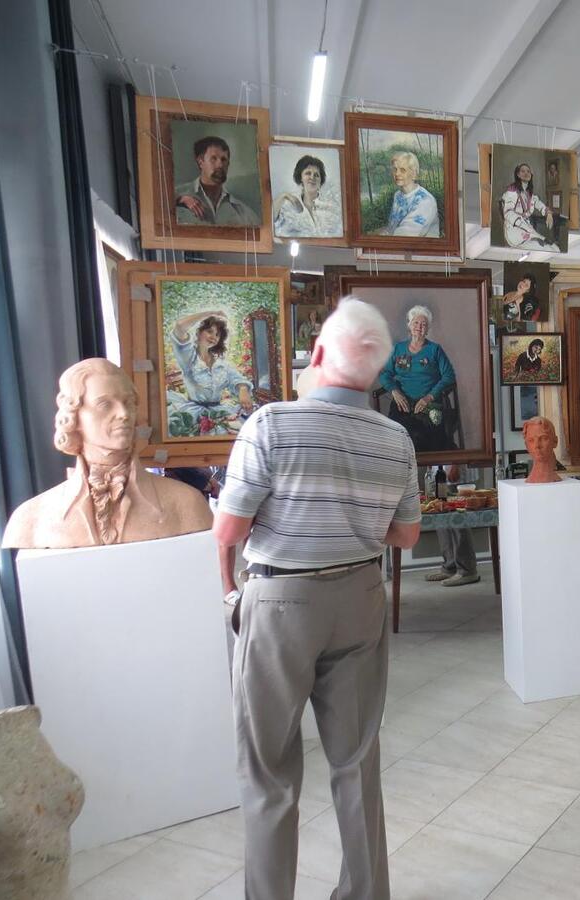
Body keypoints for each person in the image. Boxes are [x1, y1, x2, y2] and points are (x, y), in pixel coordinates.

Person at [213, 298, 422, 900]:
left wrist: (229, 592)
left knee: (269, 770)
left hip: (281, 601)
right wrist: (354, 514)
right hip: (360, 596)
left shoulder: (271, 423)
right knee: (356, 762)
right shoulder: (395, 438)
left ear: (322, 353)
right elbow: (406, 536)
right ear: (377, 372)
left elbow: (229, 531)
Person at [2, 359, 213, 549]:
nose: (123, 414)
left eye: (128, 403)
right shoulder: (32, 519)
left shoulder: (187, 504)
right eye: (105, 405)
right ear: (73, 416)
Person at [379, 305, 457, 451]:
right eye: (416, 323)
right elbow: (385, 374)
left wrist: (429, 397)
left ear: (427, 330)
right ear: (409, 325)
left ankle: (431, 471)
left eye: (423, 324)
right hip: (403, 403)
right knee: (399, 438)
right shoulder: (398, 349)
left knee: (429, 438)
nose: (419, 327)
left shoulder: (435, 349)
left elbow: (449, 375)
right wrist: (395, 391)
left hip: (428, 404)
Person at [167, 311, 255, 437]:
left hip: (218, 410)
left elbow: (237, 379)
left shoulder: (222, 364)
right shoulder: (189, 358)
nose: (213, 337)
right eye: (209, 331)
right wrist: (212, 313)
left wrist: (242, 389)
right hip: (194, 411)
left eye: (217, 335)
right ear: (198, 332)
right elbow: (180, 326)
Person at [175, 136, 262, 226]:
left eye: (224, 160)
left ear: (228, 164)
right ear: (201, 162)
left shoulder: (242, 212)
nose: (220, 165)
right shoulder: (176, 195)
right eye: (213, 159)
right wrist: (179, 199)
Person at [424, 465, 480, 587]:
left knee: (459, 522)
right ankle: (450, 567)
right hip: (440, 469)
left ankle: (467, 570)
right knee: (442, 517)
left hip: (457, 470)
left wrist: (456, 463)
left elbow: (463, 445)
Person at [273, 154, 342, 238]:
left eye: (316, 175)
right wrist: (284, 196)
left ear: (321, 181)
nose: (312, 177)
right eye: (308, 173)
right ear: (301, 177)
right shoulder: (288, 206)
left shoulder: (331, 207)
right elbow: (271, 220)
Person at [500, 163, 559, 251]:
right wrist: (531, 231)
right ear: (518, 174)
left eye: (528, 171)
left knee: (555, 248)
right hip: (515, 231)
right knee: (550, 249)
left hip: (528, 230)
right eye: (523, 171)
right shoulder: (512, 191)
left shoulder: (529, 194)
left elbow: (539, 204)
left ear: (531, 175)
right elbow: (508, 213)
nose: (526, 173)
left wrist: (548, 213)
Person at [384, 151, 440, 237]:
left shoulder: (426, 201)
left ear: (413, 174)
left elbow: (405, 234)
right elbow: (391, 228)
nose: (397, 173)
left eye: (402, 170)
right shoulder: (398, 195)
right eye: (395, 169)